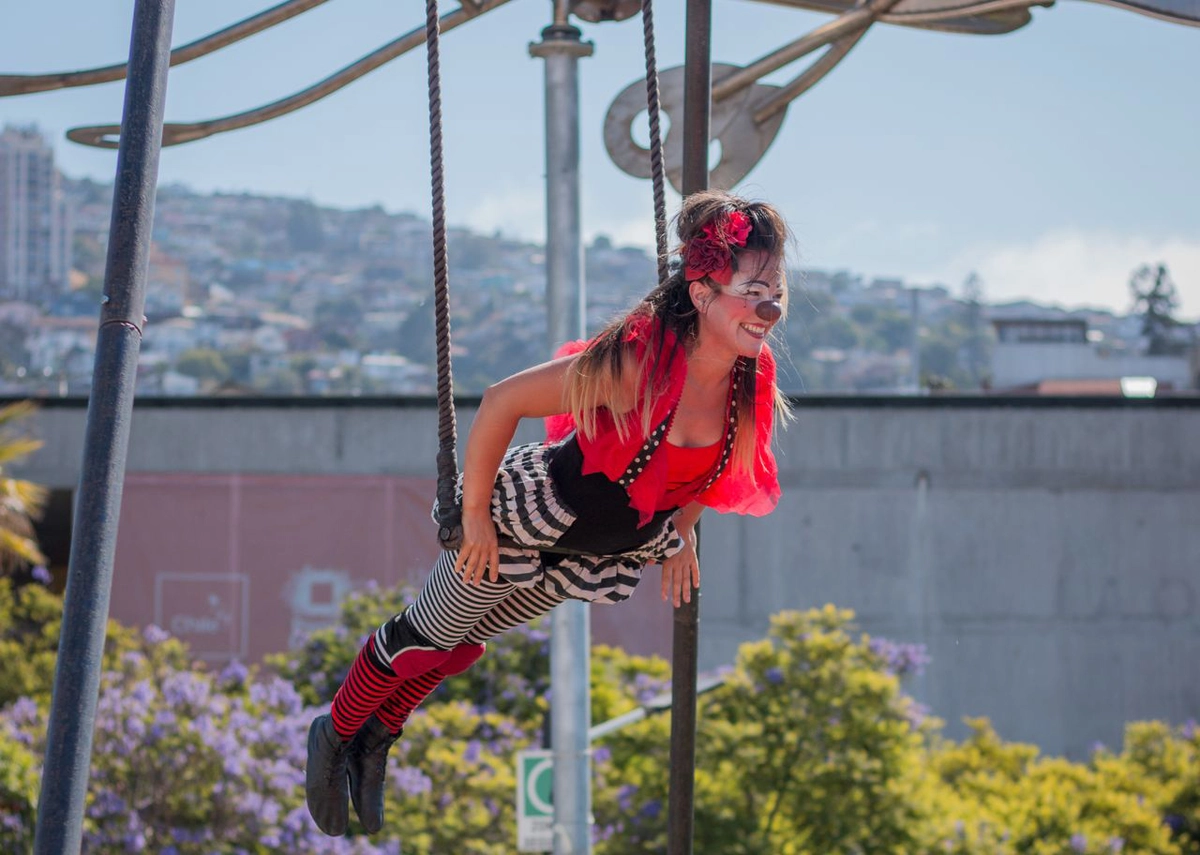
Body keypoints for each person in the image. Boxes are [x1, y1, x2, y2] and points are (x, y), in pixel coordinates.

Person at [305, 189, 793, 836]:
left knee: (458, 649)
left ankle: (377, 736)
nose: (770, 310)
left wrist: (680, 535)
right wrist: (474, 513)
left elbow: (715, 469)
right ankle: (336, 730)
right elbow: (503, 400)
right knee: (426, 636)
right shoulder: (634, 367)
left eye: (778, 294)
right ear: (703, 294)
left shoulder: (747, 389)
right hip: (523, 519)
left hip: (588, 557)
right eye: (755, 291)